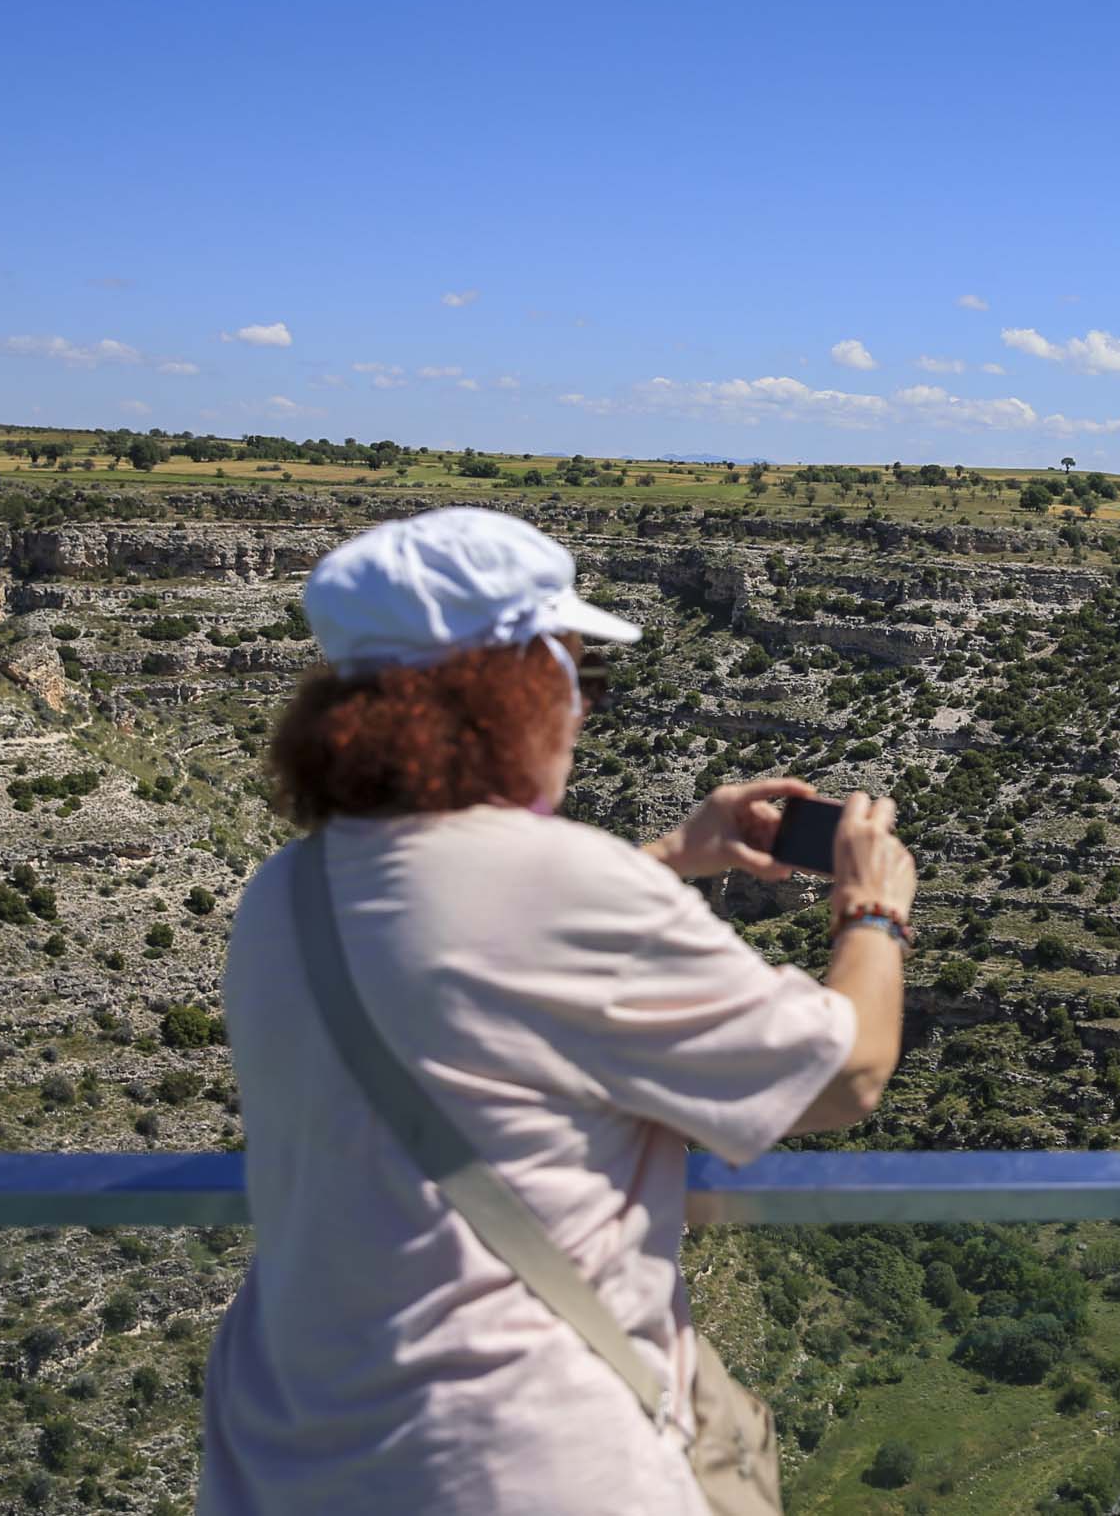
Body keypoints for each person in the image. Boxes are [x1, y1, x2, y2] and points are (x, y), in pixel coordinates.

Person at [198, 507, 913, 1516]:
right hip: (513, 1460)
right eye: (580, 674)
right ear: (517, 688)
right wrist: (872, 909)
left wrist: (670, 855)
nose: (582, 709)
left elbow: (456, 955)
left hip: (285, 1456)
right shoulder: (560, 886)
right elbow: (847, 1073)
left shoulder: (287, 890)